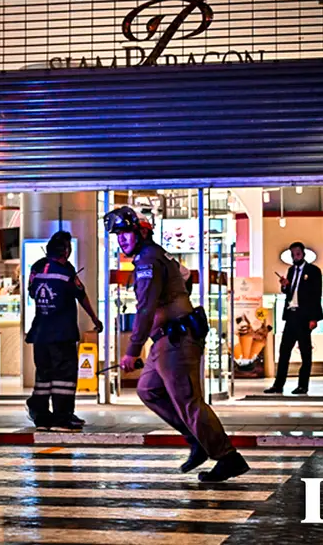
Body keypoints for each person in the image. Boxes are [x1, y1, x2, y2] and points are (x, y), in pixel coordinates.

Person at [105, 206, 248, 482]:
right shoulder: (158, 255)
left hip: (175, 340)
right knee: (148, 389)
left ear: (140, 232)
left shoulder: (148, 261)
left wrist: (132, 351)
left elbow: (145, 309)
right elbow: (185, 276)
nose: (121, 239)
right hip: (165, 340)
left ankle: (228, 457)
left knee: (189, 402)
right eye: (117, 235)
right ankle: (196, 439)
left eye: (125, 233)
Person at [25, 231, 103, 431]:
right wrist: (94, 318)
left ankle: (41, 417)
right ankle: (62, 417)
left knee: (44, 376)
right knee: (64, 378)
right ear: (66, 251)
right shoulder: (66, 270)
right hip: (62, 334)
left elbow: (32, 293)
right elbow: (81, 295)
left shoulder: (37, 267)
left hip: (40, 333)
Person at [265, 242, 323, 395]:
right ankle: (278, 384)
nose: (295, 256)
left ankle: (303, 385)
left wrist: (314, 318)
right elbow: (289, 292)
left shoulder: (313, 271)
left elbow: (316, 294)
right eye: (293, 254)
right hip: (291, 315)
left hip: (304, 316)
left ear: (303, 253)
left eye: (297, 253)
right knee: (284, 351)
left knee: (305, 352)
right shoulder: (291, 270)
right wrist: (285, 285)